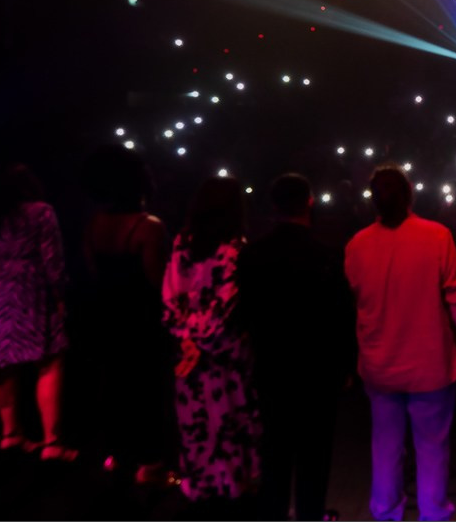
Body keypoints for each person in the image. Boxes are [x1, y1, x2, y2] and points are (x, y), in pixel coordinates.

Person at [344, 164, 456, 522]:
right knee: (432, 446)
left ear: (373, 200)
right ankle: (434, 512)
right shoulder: (437, 237)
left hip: (379, 365)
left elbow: (355, 301)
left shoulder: (357, 245)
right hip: (430, 363)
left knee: (385, 446)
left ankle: (385, 511)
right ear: (410, 194)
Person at [237, 172, 356, 522]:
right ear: (310, 201)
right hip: (318, 371)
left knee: (274, 451)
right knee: (314, 455)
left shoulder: (251, 255)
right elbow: (341, 317)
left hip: (271, 366)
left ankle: (273, 513)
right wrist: (347, 365)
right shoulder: (325, 256)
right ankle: (310, 513)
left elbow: (245, 314)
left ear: (273, 205)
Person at [0, 164, 76, 461]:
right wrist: (60, 295)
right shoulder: (40, 212)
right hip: (28, 292)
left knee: (2, 366)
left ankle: (11, 434)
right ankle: (52, 442)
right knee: (48, 364)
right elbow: (52, 260)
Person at [162, 176, 261, 506]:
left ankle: (202, 490)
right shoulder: (234, 250)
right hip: (225, 361)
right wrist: (202, 337)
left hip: (189, 361)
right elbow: (226, 306)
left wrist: (185, 338)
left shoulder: (181, 244)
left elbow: (170, 301)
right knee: (229, 425)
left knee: (196, 429)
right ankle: (234, 490)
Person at [80, 145, 173, 484]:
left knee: (114, 386)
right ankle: (150, 463)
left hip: (107, 316)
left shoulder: (94, 224)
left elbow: (93, 271)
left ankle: (118, 455)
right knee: (146, 390)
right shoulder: (149, 227)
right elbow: (156, 280)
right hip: (142, 320)